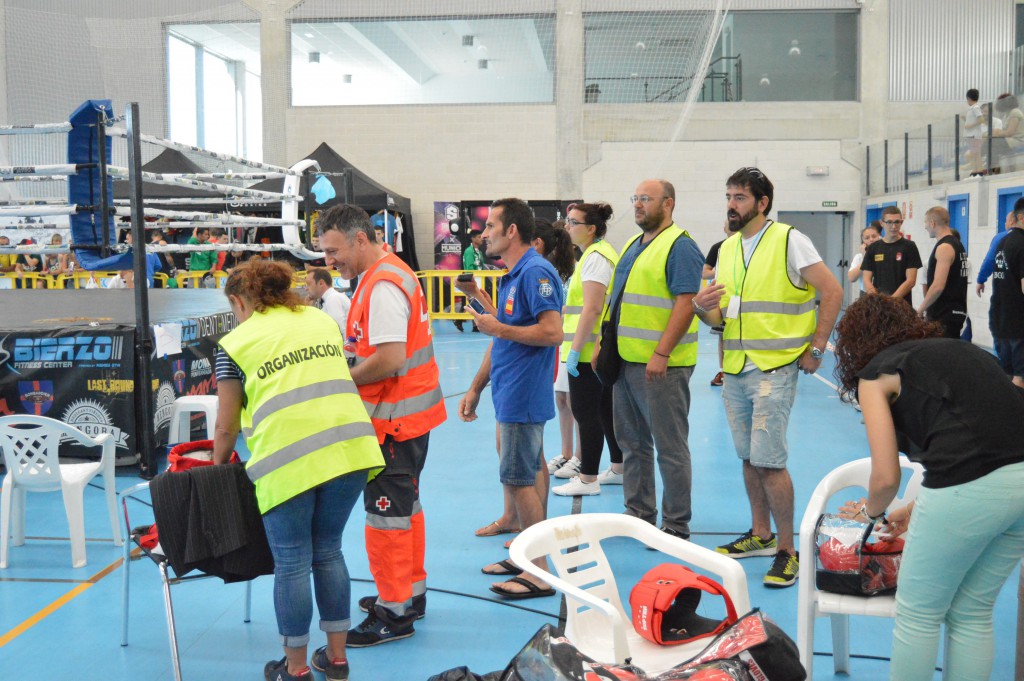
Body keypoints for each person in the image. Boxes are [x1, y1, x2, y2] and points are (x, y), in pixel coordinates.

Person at [831, 293, 1024, 681]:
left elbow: (886, 477)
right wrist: (911, 510)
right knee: (972, 613)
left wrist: (869, 514)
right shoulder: (963, 351)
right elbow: (987, 441)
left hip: (971, 487)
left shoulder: (876, 373)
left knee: (918, 613)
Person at [212, 258, 385, 681]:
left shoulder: (235, 343)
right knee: (328, 551)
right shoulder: (322, 322)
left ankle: (296, 669)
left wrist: (217, 469)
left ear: (238, 301)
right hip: (349, 451)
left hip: (287, 461)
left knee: (291, 563)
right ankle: (338, 660)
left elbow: (226, 424)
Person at [691, 167, 842, 588]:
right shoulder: (726, 250)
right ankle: (760, 534)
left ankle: (788, 551)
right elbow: (719, 318)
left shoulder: (790, 240)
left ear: (762, 203)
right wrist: (703, 307)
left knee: (770, 462)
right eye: (728, 196)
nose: (731, 205)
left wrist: (816, 348)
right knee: (747, 456)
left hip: (774, 368)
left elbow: (831, 292)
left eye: (740, 197)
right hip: (736, 367)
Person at [317, 203, 446, 645]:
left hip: (392, 424)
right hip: (408, 419)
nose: (330, 261)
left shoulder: (383, 286)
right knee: (407, 508)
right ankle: (410, 593)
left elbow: (389, 360)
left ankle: (394, 612)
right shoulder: (386, 274)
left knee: (387, 517)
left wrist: (342, 380)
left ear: (359, 239)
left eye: (334, 251)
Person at [457, 197, 564, 599]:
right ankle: (526, 556)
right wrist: (476, 386)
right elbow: (503, 329)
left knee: (519, 477)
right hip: (509, 387)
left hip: (523, 391)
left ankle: (537, 573)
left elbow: (552, 333)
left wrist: (498, 329)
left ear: (511, 231)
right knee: (528, 471)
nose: (484, 235)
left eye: (490, 227)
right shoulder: (513, 274)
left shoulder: (536, 272)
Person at [596, 179, 704, 541]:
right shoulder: (632, 244)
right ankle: (638, 513)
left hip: (662, 368)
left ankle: (676, 525)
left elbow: (686, 303)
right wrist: (601, 342)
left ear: (668, 204)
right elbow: (616, 298)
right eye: (636, 198)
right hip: (626, 361)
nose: (638, 205)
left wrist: (662, 353)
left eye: (646, 199)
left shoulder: (681, 247)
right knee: (632, 443)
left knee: (670, 448)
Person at [551, 202, 624, 497]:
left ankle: (588, 478)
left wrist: (575, 349)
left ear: (591, 229)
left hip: (587, 352)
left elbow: (593, 309)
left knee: (587, 413)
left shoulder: (596, 257)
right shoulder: (590, 256)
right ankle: (618, 468)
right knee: (604, 412)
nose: (567, 227)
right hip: (589, 349)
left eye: (573, 222)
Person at [531, 219, 580, 481]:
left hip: (574, 343)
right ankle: (566, 452)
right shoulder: (548, 270)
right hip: (559, 347)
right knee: (562, 399)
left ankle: (581, 458)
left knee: (576, 403)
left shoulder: (573, 272)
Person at [989, 197, 1024, 389]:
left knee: (1008, 374)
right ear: (1021, 217)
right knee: (1020, 377)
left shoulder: (1002, 241)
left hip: (1001, 319)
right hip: (1019, 321)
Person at [917, 207, 968, 338]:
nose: (925, 227)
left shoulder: (944, 247)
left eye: (925, 223)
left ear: (932, 223)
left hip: (945, 315)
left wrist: (921, 309)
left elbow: (938, 285)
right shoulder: (958, 244)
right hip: (954, 312)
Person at [860, 206, 922, 307]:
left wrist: (890, 302)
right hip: (878, 306)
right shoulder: (873, 248)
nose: (893, 226)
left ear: (901, 222)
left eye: (897, 222)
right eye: (889, 222)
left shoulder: (909, 246)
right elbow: (866, 279)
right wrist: (877, 300)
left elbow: (911, 281)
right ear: (882, 223)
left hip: (901, 306)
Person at [702, 223, 731, 387]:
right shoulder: (718, 248)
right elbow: (705, 272)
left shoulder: (749, 247)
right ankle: (724, 371)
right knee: (723, 336)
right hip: (722, 298)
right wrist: (721, 270)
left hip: (741, 300)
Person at [976, 209, 1015, 298]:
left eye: (1006, 221)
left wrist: (981, 280)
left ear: (1012, 221)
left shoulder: (1000, 238)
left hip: (1005, 291)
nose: (1005, 224)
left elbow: (989, 261)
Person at [455, 227, 487, 333]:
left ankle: (467, 323)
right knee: (474, 301)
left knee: (475, 301)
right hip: (472, 280)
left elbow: (481, 266)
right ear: (473, 239)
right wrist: (472, 281)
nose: (481, 239)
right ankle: (460, 320)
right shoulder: (469, 251)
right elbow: (469, 268)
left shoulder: (479, 252)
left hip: (479, 279)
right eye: (479, 237)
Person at [305, 267, 351, 334]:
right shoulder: (331, 298)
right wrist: (310, 308)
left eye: (308, 284)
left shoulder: (333, 298)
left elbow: (339, 330)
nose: (306, 289)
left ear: (321, 283)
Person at [847, 222, 882, 298]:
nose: (871, 240)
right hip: (865, 294)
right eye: (867, 238)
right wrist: (865, 258)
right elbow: (851, 278)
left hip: (884, 293)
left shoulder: (885, 254)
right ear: (863, 242)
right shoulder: (859, 257)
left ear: (879, 237)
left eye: (874, 236)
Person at [992, 93, 1024, 171]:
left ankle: (995, 168)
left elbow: (1010, 132)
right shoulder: (1007, 114)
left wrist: (998, 133)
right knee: (991, 144)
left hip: (1018, 140)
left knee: (992, 144)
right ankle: (995, 167)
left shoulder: (1015, 112)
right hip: (1009, 140)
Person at [962, 88, 985, 176]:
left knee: (976, 153)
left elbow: (981, 119)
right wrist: (965, 120)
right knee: (974, 152)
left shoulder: (975, 108)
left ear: (968, 98)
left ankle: (978, 170)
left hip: (974, 135)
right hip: (971, 135)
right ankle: (976, 169)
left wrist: (970, 125)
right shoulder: (972, 108)